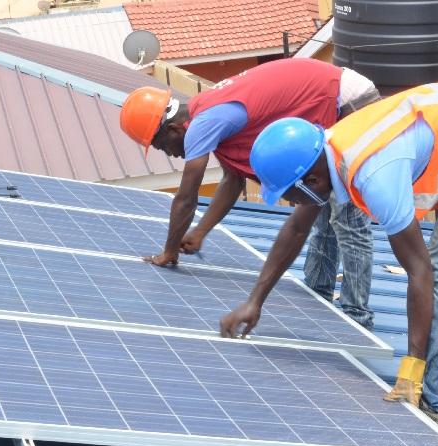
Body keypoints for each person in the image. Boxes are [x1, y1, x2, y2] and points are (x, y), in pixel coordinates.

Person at [219, 81, 438, 429]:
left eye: (292, 195)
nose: (293, 203)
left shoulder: (375, 175)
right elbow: (296, 229)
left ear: (312, 180)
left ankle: (431, 401)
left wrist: (412, 370)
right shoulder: (325, 153)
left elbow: (421, 272)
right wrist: (255, 301)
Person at [119, 58, 378, 328]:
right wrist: (200, 231)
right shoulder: (209, 113)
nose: (170, 154)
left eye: (162, 146)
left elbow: (186, 197)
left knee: (347, 215)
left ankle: (356, 317)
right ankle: (320, 295)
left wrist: (169, 251)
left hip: (346, 101)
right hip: (329, 97)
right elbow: (233, 180)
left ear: (173, 129)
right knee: (320, 201)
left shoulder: (204, 122)